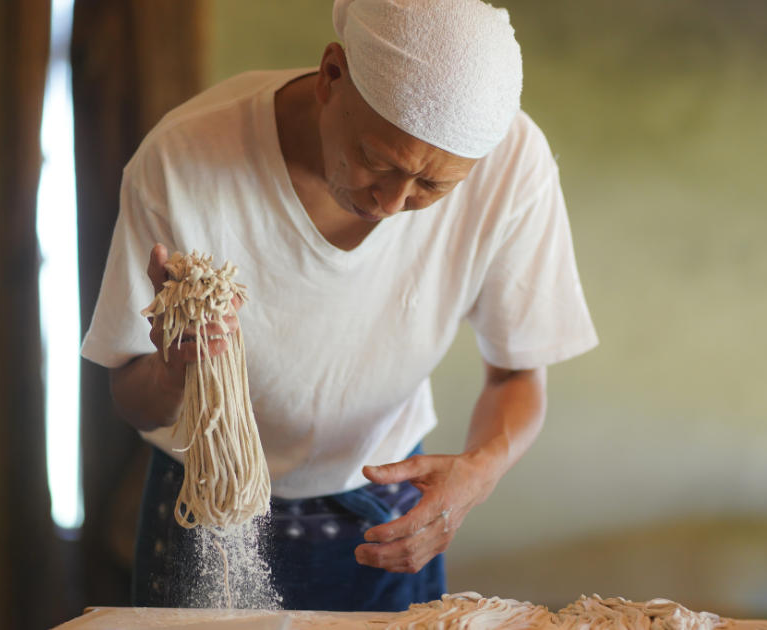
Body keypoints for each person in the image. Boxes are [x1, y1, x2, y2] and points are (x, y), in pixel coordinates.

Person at [81, 0, 598, 612]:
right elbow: (128, 394)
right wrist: (172, 370)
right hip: (205, 502)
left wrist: (480, 471)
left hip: (383, 508)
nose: (392, 201)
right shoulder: (184, 163)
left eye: (433, 187)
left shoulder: (513, 166)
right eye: (378, 161)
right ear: (332, 76)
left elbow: (517, 373)